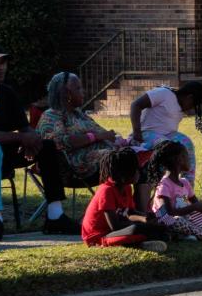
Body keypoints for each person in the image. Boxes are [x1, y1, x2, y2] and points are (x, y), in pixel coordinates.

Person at [35, 72, 132, 233]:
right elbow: (59, 142)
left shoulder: (80, 115)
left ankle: (139, 210)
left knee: (135, 157)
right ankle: (116, 218)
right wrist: (97, 137)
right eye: (78, 88)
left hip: (103, 159)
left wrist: (121, 141)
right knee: (119, 161)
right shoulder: (51, 116)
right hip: (74, 168)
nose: (83, 91)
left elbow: (108, 134)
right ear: (66, 93)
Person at [0, 42, 39, 241]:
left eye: (3, 63)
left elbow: (24, 127)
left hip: (4, 154)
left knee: (48, 147)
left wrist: (32, 140)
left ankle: (55, 213)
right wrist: (20, 137)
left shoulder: (8, 93)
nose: (0, 67)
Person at [81, 148, 166, 251]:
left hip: (115, 232)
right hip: (99, 237)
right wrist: (141, 224)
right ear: (123, 175)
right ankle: (142, 241)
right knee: (137, 229)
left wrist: (144, 217)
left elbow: (129, 213)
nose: (138, 173)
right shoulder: (107, 191)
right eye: (136, 170)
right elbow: (115, 226)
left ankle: (144, 241)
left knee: (156, 227)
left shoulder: (126, 187)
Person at [128, 80, 202, 186]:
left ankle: (187, 188)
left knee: (187, 143)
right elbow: (136, 105)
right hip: (144, 134)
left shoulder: (180, 108)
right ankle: (159, 182)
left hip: (166, 136)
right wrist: (136, 131)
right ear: (189, 97)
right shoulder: (163, 94)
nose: (191, 109)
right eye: (192, 105)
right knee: (166, 147)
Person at [147, 139, 202, 242]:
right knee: (177, 221)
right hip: (168, 222)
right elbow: (169, 213)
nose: (189, 160)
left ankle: (186, 233)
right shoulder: (164, 184)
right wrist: (193, 207)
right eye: (187, 156)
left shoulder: (184, 182)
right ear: (179, 159)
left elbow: (195, 203)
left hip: (186, 219)